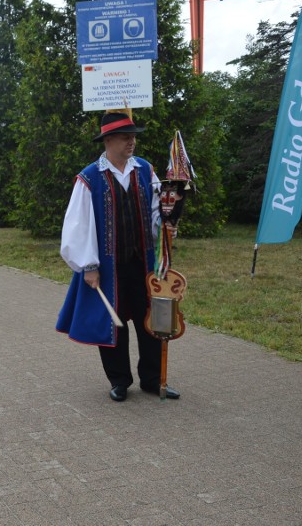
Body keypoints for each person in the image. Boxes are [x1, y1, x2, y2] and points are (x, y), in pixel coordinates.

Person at [55, 111, 180, 402]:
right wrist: (88, 266)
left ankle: (151, 379)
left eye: (134, 137)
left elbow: (157, 211)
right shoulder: (89, 178)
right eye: (126, 137)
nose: (132, 142)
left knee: (151, 320)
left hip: (144, 263)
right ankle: (119, 380)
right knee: (113, 323)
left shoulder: (145, 170)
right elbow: (78, 225)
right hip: (109, 268)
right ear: (109, 140)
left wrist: (164, 229)